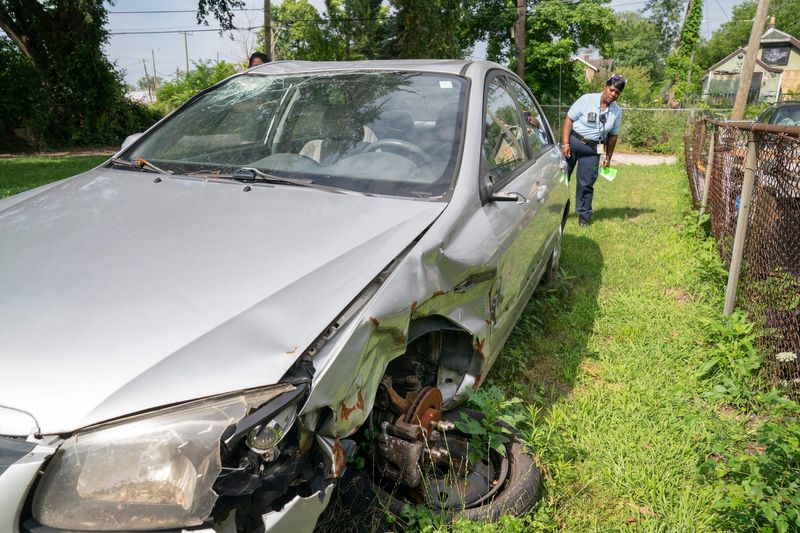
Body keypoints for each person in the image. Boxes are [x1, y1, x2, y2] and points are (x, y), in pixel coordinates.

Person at [562, 73, 626, 226]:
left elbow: (613, 136)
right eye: (611, 90)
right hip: (573, 143)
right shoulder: (587, 99)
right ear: (605, 86)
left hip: (593, 149)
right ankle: (554, 210)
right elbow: (569, 119)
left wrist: (608, 158)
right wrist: (565, 144)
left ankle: (584, 216)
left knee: (586, 183)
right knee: (561, 178)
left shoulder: (616, 112)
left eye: (617, 92)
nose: (613, 94)